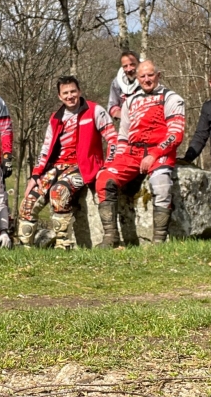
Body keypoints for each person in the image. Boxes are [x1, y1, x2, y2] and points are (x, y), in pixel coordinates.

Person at [17, 75, 117, 249]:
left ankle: (64, 245)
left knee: (59, 192)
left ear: (79, 91)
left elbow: (113, 140)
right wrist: (35, 175)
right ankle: (25, 248)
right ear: (59, 96)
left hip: (82, 167)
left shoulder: (95, 110)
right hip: (57, 167)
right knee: (29, 201)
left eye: (73, 91)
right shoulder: (56, 118)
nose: (70, 96)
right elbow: (45, 148)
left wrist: (107, 166)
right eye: (65, 93)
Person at [96, 60, 185, 246]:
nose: (147, 79)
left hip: (159, 151)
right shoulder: (130, 101)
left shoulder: (171, 98)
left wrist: (154, 154)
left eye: (150, 75)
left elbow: (176, 134)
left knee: (161, 184)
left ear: (158, 76)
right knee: (104, 179)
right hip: (132, 153)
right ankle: (110, 237)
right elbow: (123, 135)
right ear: (137, 78)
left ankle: (158, 242)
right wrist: (118, 160)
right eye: (142, 76)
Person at [107, 51, 141, 119]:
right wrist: (122, 115)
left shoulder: (148, 79)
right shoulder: (117, 82)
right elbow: (112, 105)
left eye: (132, 64)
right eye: (125, 66)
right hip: (127, 125)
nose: (129, 69)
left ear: (139, 64)